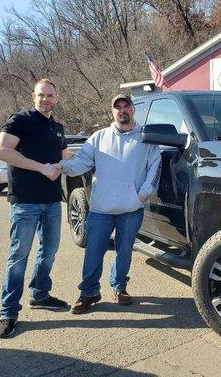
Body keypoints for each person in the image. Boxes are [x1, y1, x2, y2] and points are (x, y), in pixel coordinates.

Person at [56, 94, 161, 314]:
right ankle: (89, 293)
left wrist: (142, 195)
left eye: (126, 106)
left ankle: (119, 286)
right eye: (118, 107)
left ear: (133, 110)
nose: (122, 110)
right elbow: (82, 162)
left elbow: (155, 167)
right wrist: (62, 167)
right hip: (100, 210)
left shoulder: (146, 138)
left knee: (124, 251)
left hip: (131, 209)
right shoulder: (99, 137)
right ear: (112, 112)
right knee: (93, 252)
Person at [0, 79, 70, 338]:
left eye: (50, 95)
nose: (46, 99)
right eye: (41, 95)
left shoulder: (58, 127)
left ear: (56, 97)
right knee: (18, 257)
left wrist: (65, 164)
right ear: (33, 96)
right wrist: (42, 167)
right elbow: (1, 152)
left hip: (52, 201)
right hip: (25, 201)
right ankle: (8, 312)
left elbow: (65, 157)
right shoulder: (20, 120)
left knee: (48, 252)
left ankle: (40, 294)